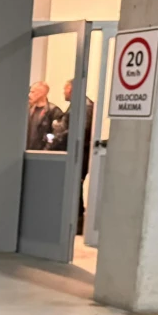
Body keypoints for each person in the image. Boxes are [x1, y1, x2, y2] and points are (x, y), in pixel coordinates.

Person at [55, 79, 95, 234]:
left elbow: (80, 131)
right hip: (75, 152)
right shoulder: (77, 105)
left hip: (79, 154)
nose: (63, 92)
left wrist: (59, 134)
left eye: (65, 89)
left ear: (72, 89)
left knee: (75, 186)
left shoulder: (85, 106)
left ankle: (76, 223)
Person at [26, 81, 64, 151]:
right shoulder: (28, 110)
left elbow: (56, 135)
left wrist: (46, 150)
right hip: (28, 151)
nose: (29, 95)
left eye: (33, 92)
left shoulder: (54, 111)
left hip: (43, 153)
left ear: (42, 93)